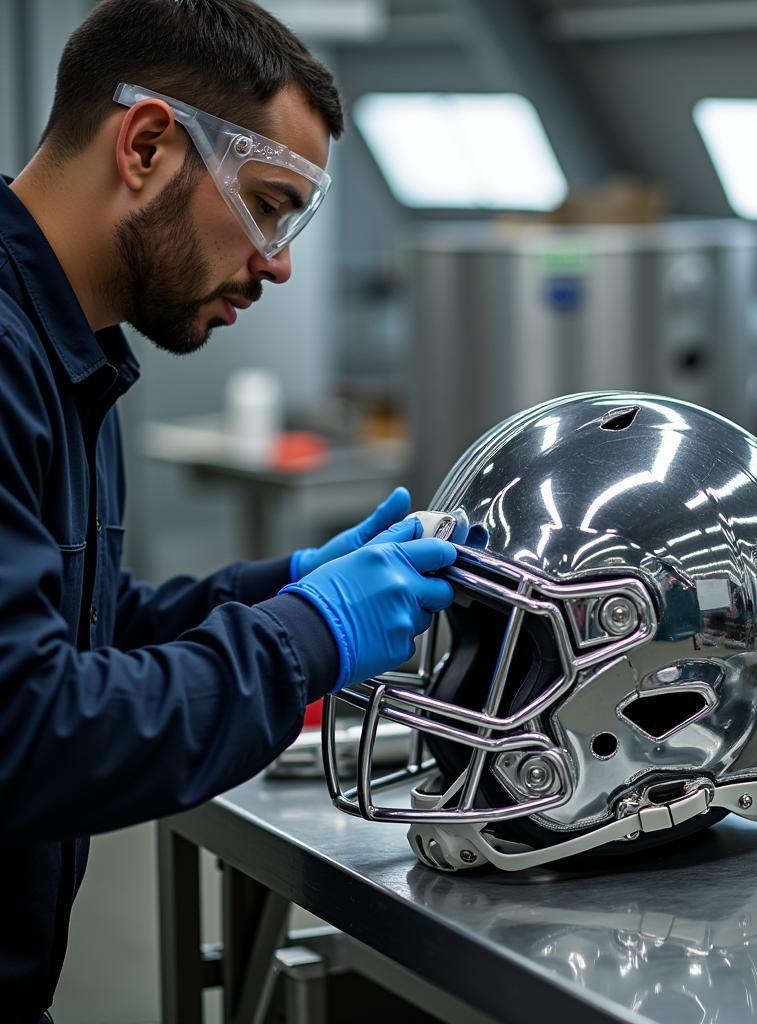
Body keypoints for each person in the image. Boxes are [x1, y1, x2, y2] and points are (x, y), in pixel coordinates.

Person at [0, 2, 457, 1019]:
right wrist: (305, 638)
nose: (279, 260)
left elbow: (87, 622)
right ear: (149, 143)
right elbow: (26, 729)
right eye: (265, 203)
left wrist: (282, 586)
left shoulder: (65, 348)